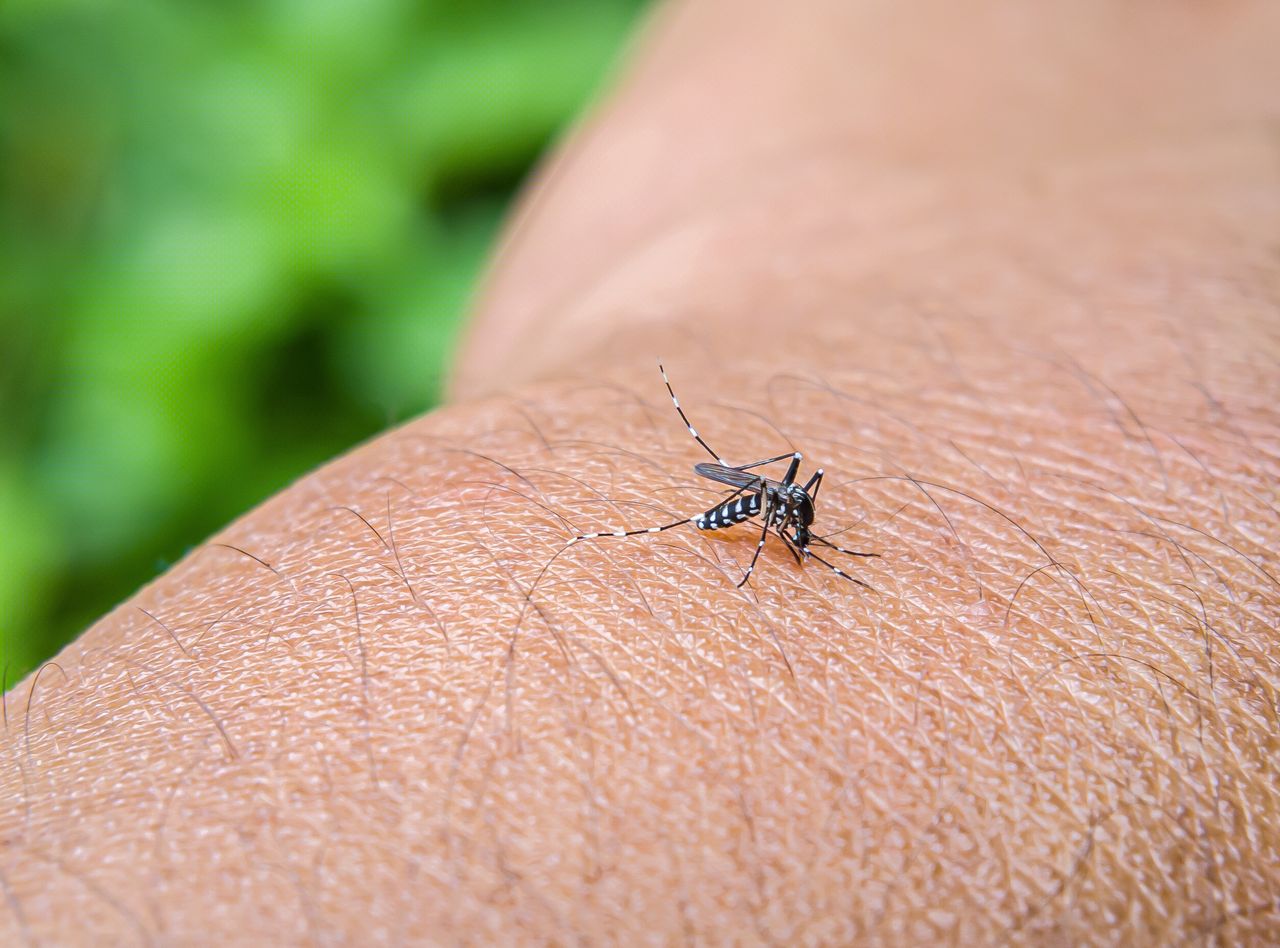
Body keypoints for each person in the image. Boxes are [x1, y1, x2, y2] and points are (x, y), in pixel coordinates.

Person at [5, 1, 1278, 942]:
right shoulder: (767, 514)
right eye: (785, 520)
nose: (786, 519)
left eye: (784, 521)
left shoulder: (784, 506)